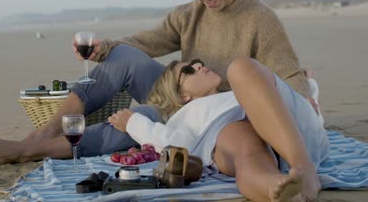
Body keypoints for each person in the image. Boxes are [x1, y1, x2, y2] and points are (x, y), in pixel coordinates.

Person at [0, 0, 319, 164]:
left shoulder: (260, 19)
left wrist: (306, 102)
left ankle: (32, 149)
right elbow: (149, 41)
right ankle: (48, 130)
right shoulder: (189, 14)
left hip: (214, 114)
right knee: (123, 56)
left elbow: (288, 75)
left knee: (137, 121)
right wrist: (105, 48)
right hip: (181, 90)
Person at [109, 58, 329, 202]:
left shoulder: (240, 88)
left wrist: (309, 86)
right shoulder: (188, 116)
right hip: (237, 134)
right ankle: (274, 187)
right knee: (245, 148)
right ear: (181, 96)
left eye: (195, 63)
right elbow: (175, 145)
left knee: (241, 67)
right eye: (188, 70)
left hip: (294, 132)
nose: (197, 66)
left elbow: (305, 105)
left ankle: (303, 168)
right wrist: (133, 123)